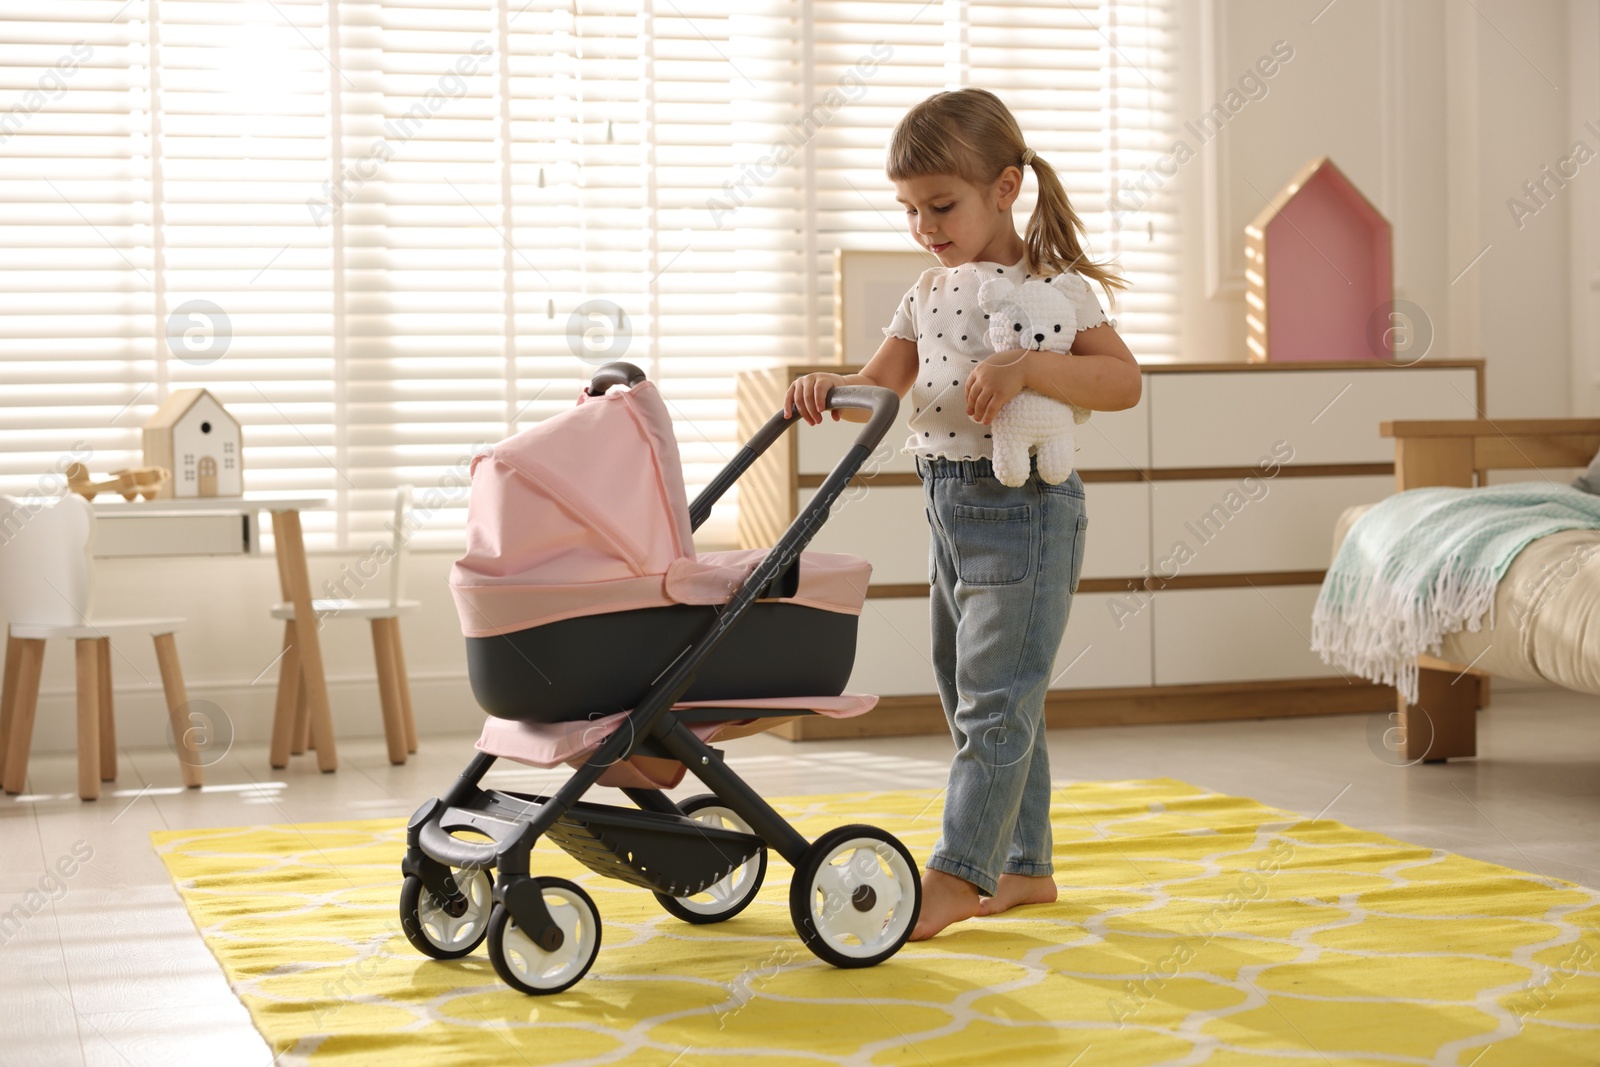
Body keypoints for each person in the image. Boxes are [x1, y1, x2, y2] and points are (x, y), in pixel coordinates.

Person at [784, 88, 1142, 941]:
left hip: (1025, 512)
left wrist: (1026, 369)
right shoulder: (928, 291)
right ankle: (1026, 864)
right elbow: (882, 383)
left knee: (995, 702)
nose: (924, 225)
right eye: (909, 209)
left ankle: (958, 871)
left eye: (941, 206)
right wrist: (827, 389)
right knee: (974, 691)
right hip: (948, 507)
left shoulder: (1055, 289)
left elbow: (1121, 382)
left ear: (1006, 187)